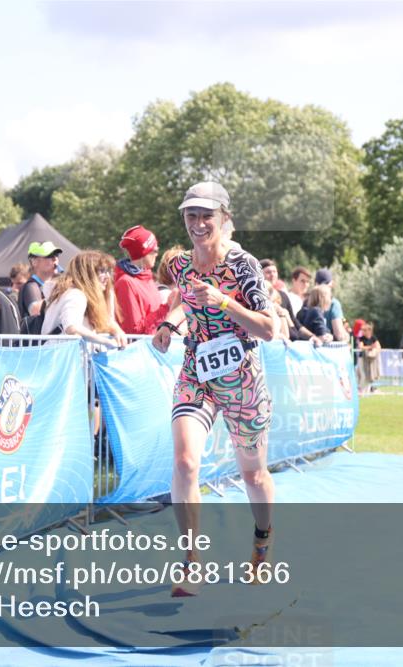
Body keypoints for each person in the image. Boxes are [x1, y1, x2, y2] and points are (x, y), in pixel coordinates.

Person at [151, 181, 277, 597]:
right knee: (186, 461)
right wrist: (171, 326)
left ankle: (261, 543)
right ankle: (192, 562)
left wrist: (224, 301)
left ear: (224, 220)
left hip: (242, 378)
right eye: (191, 215)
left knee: (253, 475)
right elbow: (186, 306)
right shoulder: (182, 267)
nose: (198, 224)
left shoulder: (244, 266)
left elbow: (269, 329)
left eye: (207, 216)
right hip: (197, 372)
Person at [40, 250, 128, 348]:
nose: (107, 276)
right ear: (88, 273)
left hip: (63, 356)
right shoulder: (76, 295)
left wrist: (117, 331)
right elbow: (72, 327)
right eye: (102, 271)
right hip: (62, 358)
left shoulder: (72, 293)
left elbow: (106, 322)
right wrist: (107, 342)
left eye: (108, 271)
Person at [114, 225, 171, 335]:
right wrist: (166, 306)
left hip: (153, 347)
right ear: (144, 253)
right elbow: (133, 331)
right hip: (140, 349)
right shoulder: (125, 283)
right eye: (154, 250)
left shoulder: (148, 278)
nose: (157, 254)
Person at [19, 241, 62, 318]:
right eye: (50, 256)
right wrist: (61, 295)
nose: (55, 258)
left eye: (56, 255)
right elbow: (36, 310)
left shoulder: (57, 284)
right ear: (34, 262)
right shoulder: (31, 286)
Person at [314, 268, 348, 342]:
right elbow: (339, 335)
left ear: (316, 284)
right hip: (328, 350)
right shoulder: (334, 304)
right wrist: (346, 336)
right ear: (331, 284)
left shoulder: (307, 302)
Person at [356, 321, 381, 395]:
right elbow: (361, 347)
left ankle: (367, 391)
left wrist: (374, 350)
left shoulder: (373, 338)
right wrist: (370, 347)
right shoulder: (361, 338)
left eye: (365, 330)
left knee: (369, 376)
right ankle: (361, 390)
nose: (363, 332)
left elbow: (378, 346)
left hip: (370, 359)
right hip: (362, 358)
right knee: (363, 374)